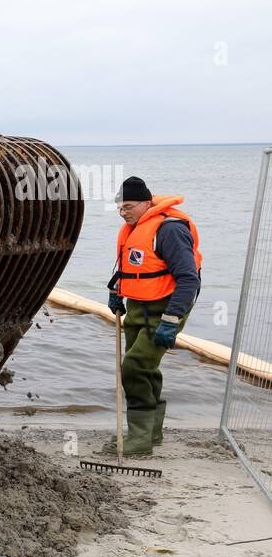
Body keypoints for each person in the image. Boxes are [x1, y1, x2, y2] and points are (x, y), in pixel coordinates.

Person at [105, 176, 202, 456]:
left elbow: (188, 279)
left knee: (134, 367)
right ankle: (151, 432)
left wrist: (171, 321)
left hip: (167, 307)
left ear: (148, 202)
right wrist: (117, 292)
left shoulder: (169, 230)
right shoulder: (132, 229)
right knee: (146, 367)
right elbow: (132, 267)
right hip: (138, 306)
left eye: (129, 206)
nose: (124, 213)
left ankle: (138, 439)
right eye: (120, 208)